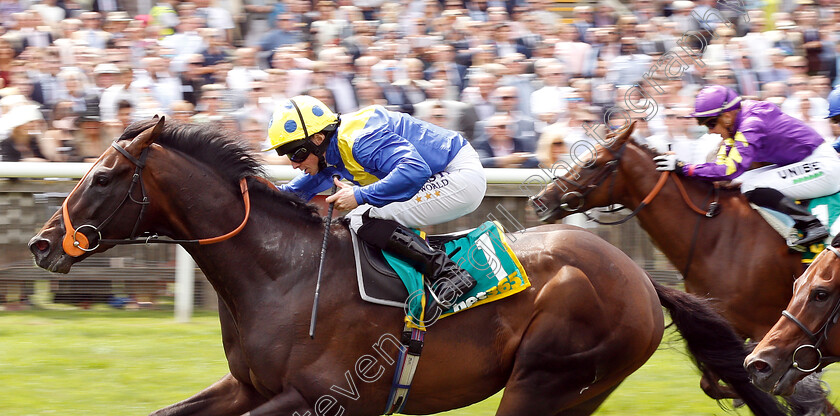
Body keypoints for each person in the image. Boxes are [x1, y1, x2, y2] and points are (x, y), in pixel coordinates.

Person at [265, 95, 487, 317]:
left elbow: (415, 170)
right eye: (286, 155)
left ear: (318, 138)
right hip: (441, 174)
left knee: (360, 218)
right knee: (360, 217)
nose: (293, 164)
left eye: (296, 153)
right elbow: (292, 194)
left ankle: (449, 274)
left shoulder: (360, 141)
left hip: (457, 176)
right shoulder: (330, 149)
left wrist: (360, 195)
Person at [654, 85, 840, 247]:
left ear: (727, 116)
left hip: (823, 167)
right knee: (743, 182)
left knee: (751, 186)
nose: (710, 131)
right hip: (808, 162)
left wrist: (684, 168)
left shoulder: (751, 123)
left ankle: (810, 225)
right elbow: (722, 168)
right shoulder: (736, 125)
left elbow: (729, 170)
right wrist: (687, 169)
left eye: (711, 123)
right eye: (705, 126)